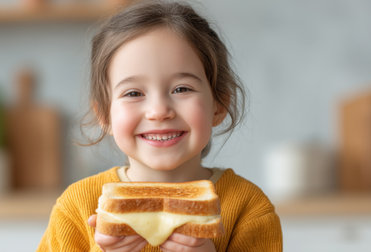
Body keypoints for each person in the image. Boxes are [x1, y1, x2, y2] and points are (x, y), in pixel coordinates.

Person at [37, 1, 282, 251]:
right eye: (133, 93)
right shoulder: (76, 207)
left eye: (181, 89)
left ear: (218, 105)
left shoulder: (248, 208)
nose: (159, 111)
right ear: (105, 115)